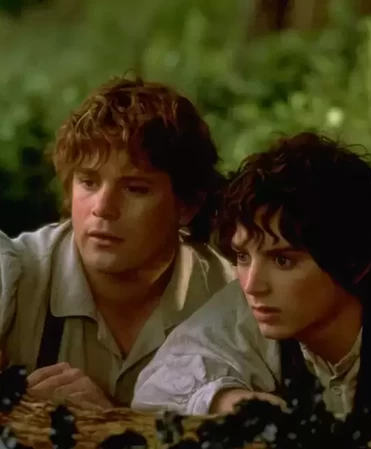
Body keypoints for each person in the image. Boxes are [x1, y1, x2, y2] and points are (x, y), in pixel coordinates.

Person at [132, 131, 371, 418]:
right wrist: (230, 402)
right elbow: (156, 387)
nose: (252, 284)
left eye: (282, 260)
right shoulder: (252, 309)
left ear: (355, 262)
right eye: (243, 257)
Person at [0, 77, 235, 408]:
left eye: (134, 188)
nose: (103, 208)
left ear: (187, 205)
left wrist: (109, 423)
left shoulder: (234, 299)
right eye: (88, 182)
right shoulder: (16, 277)